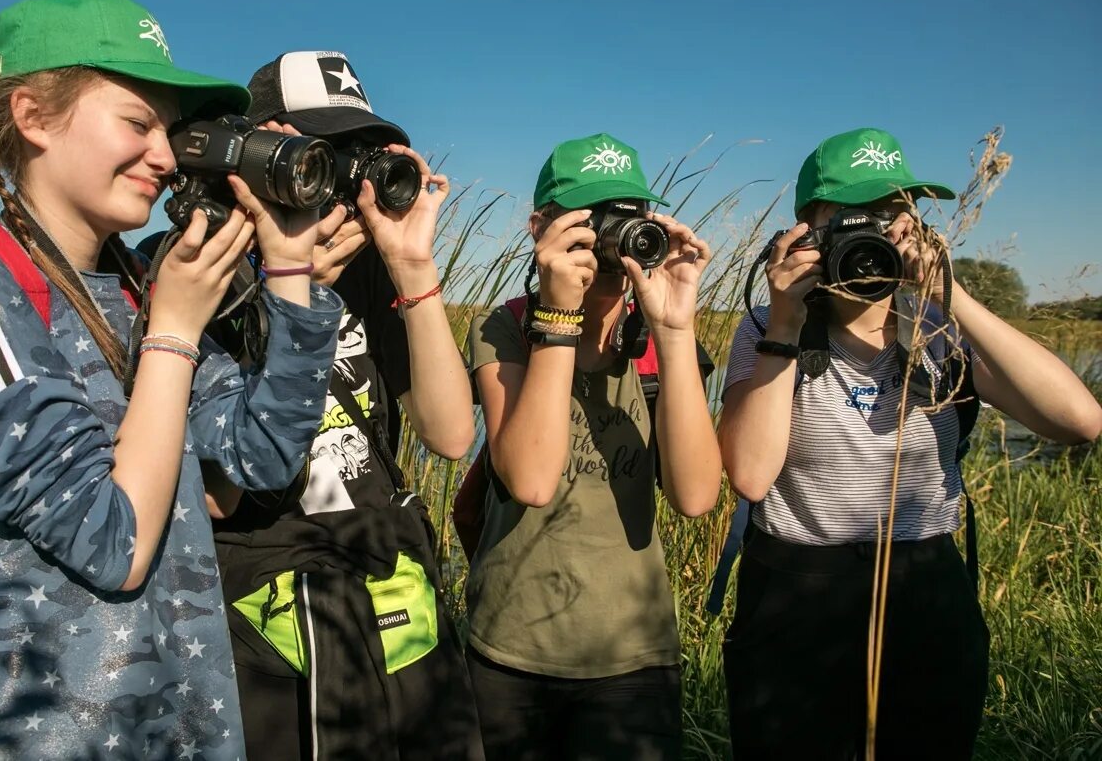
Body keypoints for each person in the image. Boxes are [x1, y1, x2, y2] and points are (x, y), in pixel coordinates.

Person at [0, 0, 343, 759]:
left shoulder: (137, 288)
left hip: (164, 724)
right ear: (33, 117)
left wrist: (287, 268)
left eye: (172, 132)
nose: (164, 154)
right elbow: (110, 541)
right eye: (138, 122)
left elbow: (264, 457)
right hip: (3, 733)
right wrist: (176, 333)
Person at [717, 127, 1102, 759]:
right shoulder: (766, 327)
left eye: (897, 216)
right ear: (809, 227)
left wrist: (952, 296)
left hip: (927, 584)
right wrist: (785, 320)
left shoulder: (941, 328)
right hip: (799, 591)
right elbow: (752, 478)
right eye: (856, 219)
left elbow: (1079, 420)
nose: (878, 235)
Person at [198, 52, 483, 759]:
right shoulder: (201, 267)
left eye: (360, 155)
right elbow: (219, 497)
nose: (340, 183)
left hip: (385, 592)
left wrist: (413, 267)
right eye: (322, 154)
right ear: (264, 149)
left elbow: (451, 434)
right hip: (267, 624)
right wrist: (283, 295)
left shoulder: (370, 275)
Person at [466, 133, 723, 760]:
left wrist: (674, 328)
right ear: (540, 228)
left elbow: (695, 496)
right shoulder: (503, 329)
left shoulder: (662, 343)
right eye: (591, 218)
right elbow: (529, 479)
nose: (612, 238)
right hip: (510, 647)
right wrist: (558, 315)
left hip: (632, 655)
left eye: (628, 218)